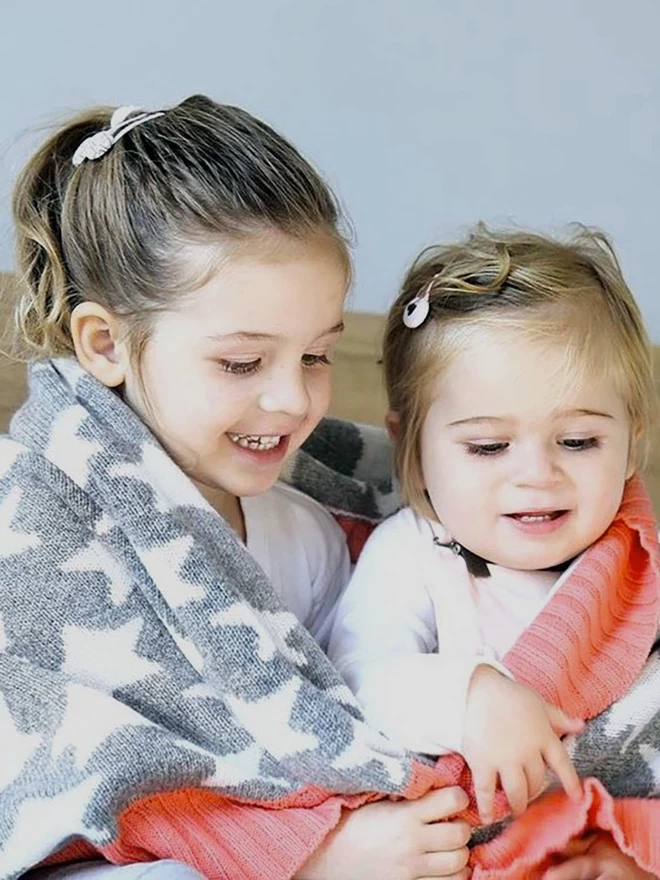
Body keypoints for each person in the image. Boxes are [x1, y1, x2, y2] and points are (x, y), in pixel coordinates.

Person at [1, 97, 470, 880]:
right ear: (106, 343)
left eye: (317, 356)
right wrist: (310, 857)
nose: (294, 401)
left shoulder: (308, 533)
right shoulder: (28, 516)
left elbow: (334, 718)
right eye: (243, 364)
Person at [328, 225, 660, 878]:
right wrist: (471, 695)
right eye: (487, 447)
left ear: (632, 440)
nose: (536, 475)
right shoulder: (416, 554)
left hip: (603, 829)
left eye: (578, 442)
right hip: (464, 841)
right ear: (411, 452)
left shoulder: (637, 571)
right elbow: (358, 681)